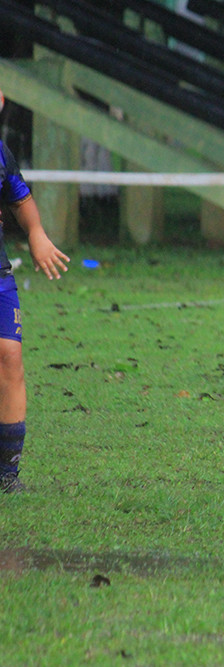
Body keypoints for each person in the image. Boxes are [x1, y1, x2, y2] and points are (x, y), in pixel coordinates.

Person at [0, 90, 72, 493]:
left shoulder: (1, 153)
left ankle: (8, 474)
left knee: (10, 357)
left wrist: (37, 233)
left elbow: (19, 198)